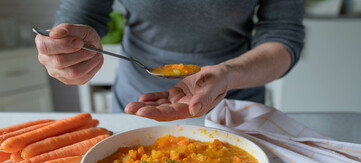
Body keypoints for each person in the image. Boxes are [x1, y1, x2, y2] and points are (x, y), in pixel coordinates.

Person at [35, 0, 305, 121]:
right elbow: (83, 13)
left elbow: (282, 36)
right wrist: (67, 46)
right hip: (140, 100)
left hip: (235, 98)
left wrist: (228, 73)